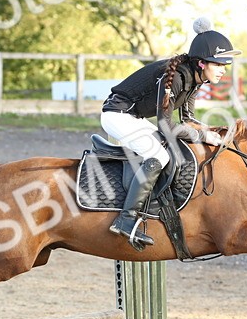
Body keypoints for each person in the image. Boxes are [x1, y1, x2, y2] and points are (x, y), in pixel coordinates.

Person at [100, 17, 238, 249]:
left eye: (225, 65)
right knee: (159, 155)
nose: (223, 70)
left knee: (170, 148)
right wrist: (203, 136)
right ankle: (125, 219)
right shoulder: (175, 76)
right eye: (219, 64)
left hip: (134, 118)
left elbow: (188, 120)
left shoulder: (196, 79)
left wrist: (214, 132)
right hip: (117, 115)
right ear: (202, 63)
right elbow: (166, 127)